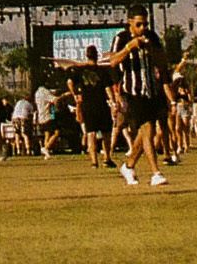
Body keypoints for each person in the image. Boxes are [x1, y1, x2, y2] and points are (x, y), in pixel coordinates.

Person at [106, 12, 171, 190]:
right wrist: (129, 48)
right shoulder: (121, 38)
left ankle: (128, 166)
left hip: (151, 91)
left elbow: (163, 61)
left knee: (145, 134)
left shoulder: (151, 37)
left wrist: (152, 51)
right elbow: (112, 62)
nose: (143, 28)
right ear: (130, 23)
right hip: (132, 92)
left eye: (145, 24)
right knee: (147, 128)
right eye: (139, 24)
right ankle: (155, 172)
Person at [73, 45, 113, 166]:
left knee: (91, 134)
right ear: (97, 55)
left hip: (87, 106)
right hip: (101, 105)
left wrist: (75, 95)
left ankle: (94, 161)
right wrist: (113, 101)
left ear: (86, 55)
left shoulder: (80, 71)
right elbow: (108, 88)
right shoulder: (102, 71)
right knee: (106, 133)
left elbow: (70, 82)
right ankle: (107, 158)